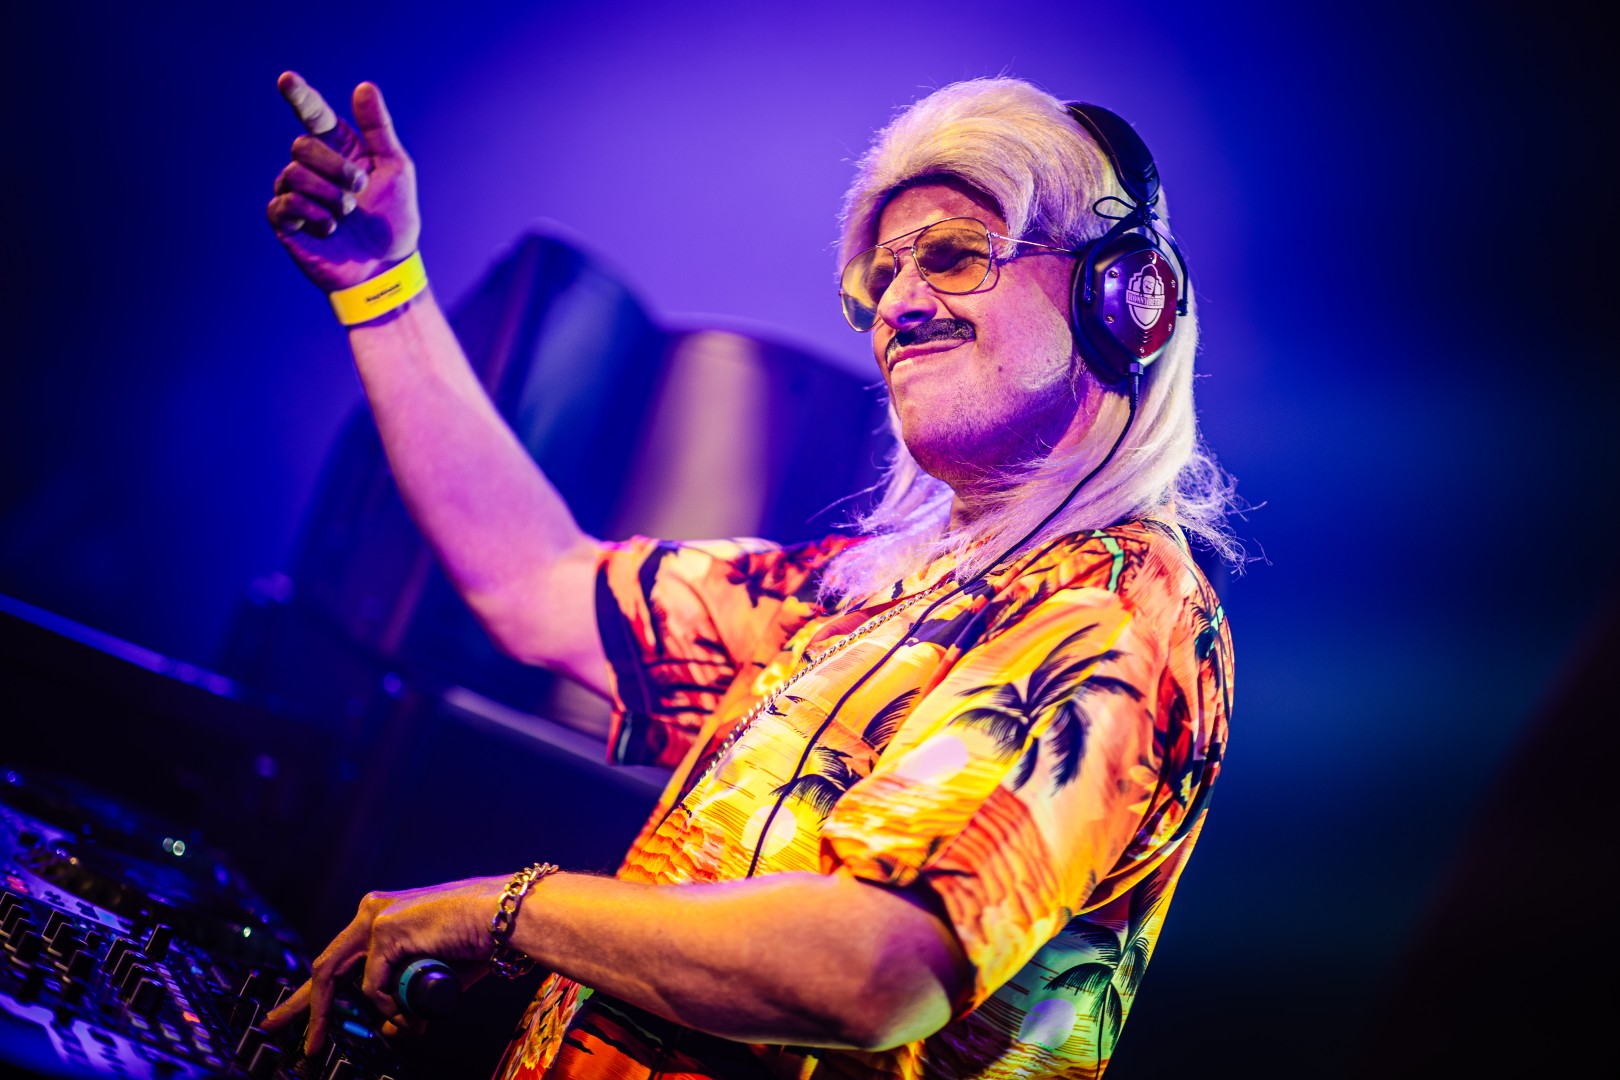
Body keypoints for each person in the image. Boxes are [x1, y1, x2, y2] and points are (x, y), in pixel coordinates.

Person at [261, 71, 1236, 1079]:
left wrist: (508, 910)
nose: (898, 307)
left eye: (952, 255)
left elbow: (874, 970)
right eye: (881, 279)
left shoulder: (1115, 607)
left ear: (1125, 299)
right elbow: (537, 582)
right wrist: (381, 286)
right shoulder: (865, 600)